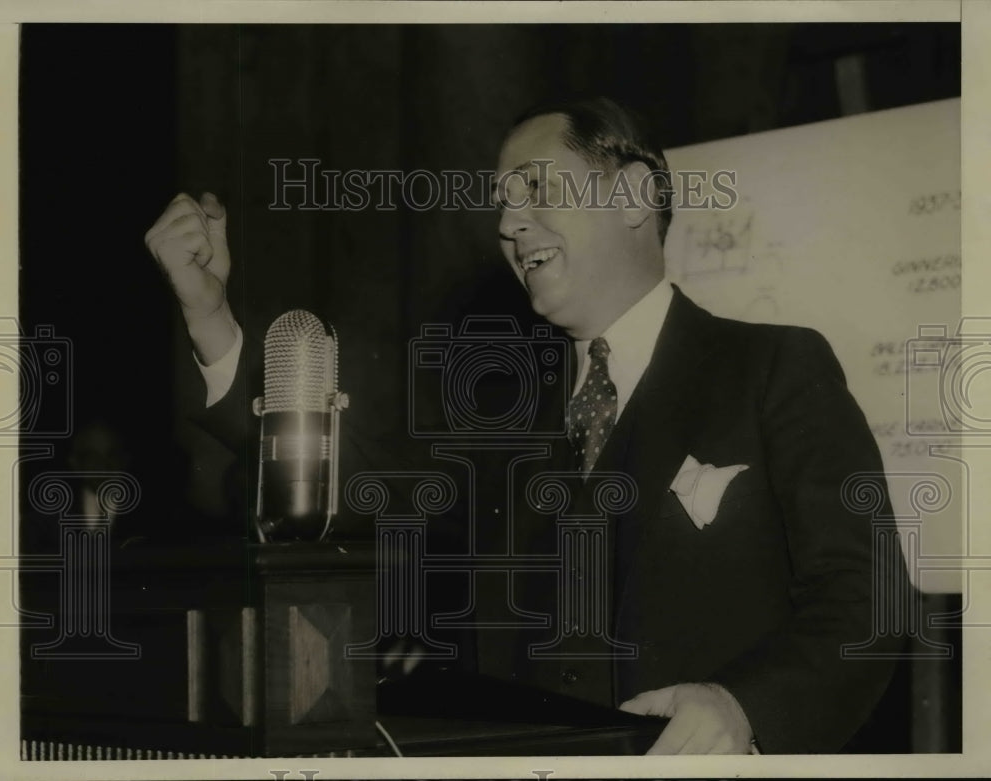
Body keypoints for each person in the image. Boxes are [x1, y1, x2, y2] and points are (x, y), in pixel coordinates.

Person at [145, 96, 908, 754]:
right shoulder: (495, 414)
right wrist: (209, 316)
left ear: (635, 196)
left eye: (536, 187)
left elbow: (866, 602)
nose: (510, 223)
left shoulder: (773, 368)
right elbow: (346, 484)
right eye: (503, 202)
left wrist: (745, 708)